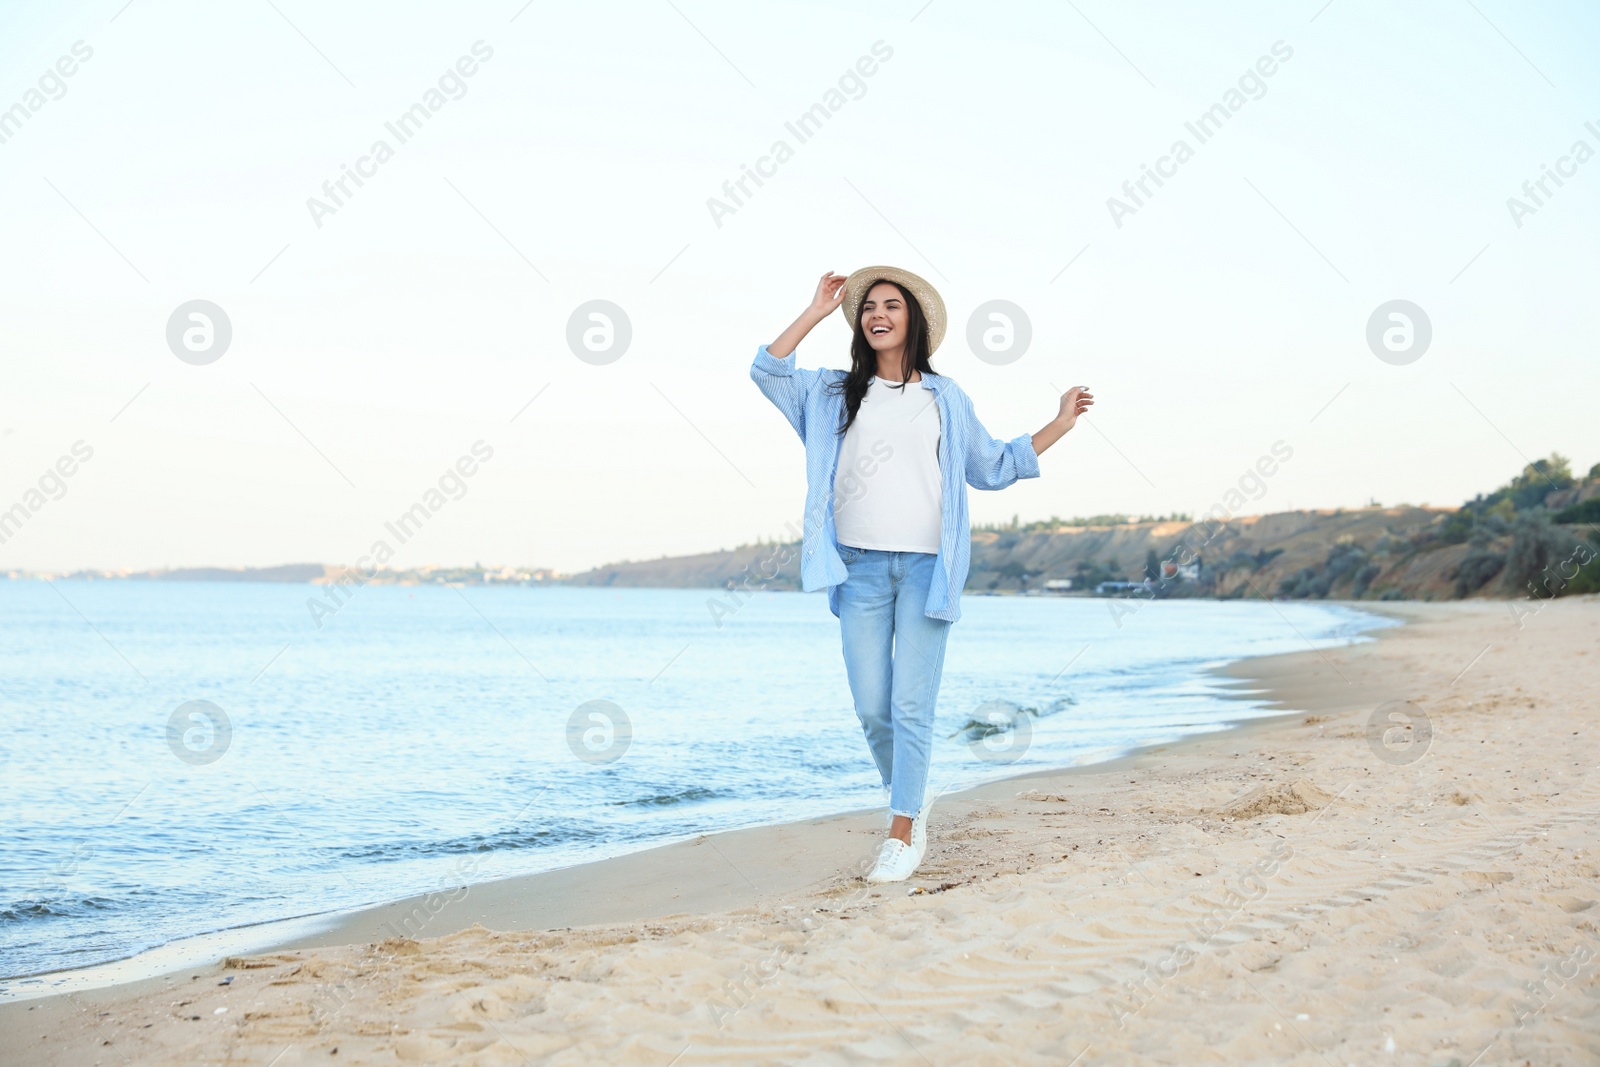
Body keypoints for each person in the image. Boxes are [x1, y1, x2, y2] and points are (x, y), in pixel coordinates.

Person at [750, 266, 1094, 883]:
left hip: (927, 571)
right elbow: (767, 371)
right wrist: (815, 310)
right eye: (868, 307)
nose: (877, 314)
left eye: (891, 305)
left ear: (914, 320)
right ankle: (913, 792)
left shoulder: (946, 397)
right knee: (872, 708)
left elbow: (990, 468)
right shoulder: (830, 392)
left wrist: (1060, 424)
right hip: (856, 570)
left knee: (911, 705)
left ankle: (903, 830)